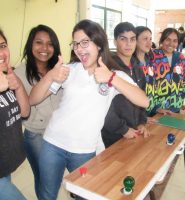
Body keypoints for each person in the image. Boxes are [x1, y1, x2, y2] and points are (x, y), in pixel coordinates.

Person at [29, 19, 149, 200]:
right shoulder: (69, 69)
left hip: (84, 151)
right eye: (76, 44)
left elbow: (144, 101)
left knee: (86, 196)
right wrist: (50, 76)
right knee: (47, 195)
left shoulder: (114, 75)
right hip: (53, 144)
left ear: (99, 43)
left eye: (85, 42)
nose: (79, 48)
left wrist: (111, 78)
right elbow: (33, 99)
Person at [14, 24, 63, 198]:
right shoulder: (19, 73)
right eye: (39, 42)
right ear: (30, 45)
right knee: (43, 179)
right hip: (37, 136)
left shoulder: (59, 70)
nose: (44, 48)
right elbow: (27, 103)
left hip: (59, 134)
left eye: (50, 44)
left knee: (54, 179)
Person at [101, 22, 149, 148]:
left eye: (132, 39)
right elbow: (102, 106)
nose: (129, 44)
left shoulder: (137, 67)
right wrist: (123, 129)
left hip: (134, 131)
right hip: (112, 135)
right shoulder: (107, 68)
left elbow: (143, 96)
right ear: (115, 42)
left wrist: (142, 122)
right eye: (123, 39)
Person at [0, 29, 30, 200]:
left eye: (3, 45)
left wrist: (17, 86)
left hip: (5, 166)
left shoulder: (7, 76)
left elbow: (24, 112)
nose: (1, 53)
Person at [146, 28, 185, 116]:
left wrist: (182, 99)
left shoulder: (180, 58)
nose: (171, 44)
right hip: (157, 110)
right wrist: (155, 107)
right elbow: (148, 84)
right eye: (168, 40)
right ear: (162, 40)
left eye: (175, 41)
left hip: (175, 107)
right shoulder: (152, 57)